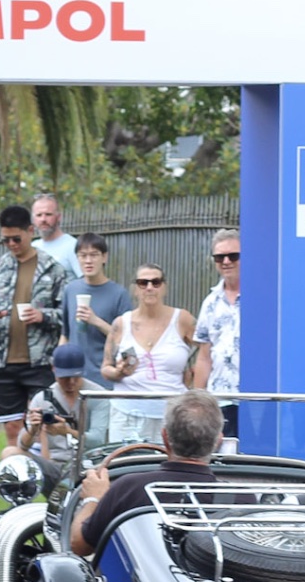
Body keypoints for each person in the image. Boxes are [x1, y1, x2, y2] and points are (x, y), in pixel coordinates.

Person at [69, 389, 223, 556]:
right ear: (218, 441)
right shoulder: (240, 498)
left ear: (165, 437)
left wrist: (93, 499)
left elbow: (79, 545)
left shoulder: (128, 488)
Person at [0, 205, 67, 447]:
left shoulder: (53, 269)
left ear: (31, 231)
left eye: (16, 239)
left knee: (42, 424)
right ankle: (14, 475)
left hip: (40, 362)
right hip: (1, 360)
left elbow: (67, 316)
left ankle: (42, 476)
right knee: (11, 427)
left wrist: (43, 315)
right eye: (5, 240)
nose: (11, 245)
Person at [102, 263, 196, 444]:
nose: (150, 288)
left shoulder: (182, 319)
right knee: (126, 469)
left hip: (172, 414)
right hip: (127, 413)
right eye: (143, 283)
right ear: (135, 289)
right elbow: (105, 368)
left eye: (156, 282)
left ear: (165, 287)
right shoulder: (121, 323)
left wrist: (193, 380)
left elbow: (206, 352)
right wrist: (118, 372)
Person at [58, 232, 130, 450]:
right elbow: (65, 333)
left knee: (100, 444)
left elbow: (126, 340)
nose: (88, 261)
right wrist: (58, 364)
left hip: (104, 382)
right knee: (72, 441)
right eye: (83, 255)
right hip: (73, 381)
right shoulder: (71, 289)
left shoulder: (118, 294)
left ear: (104, 257)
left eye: (94, 255)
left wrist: (96, 321)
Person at [2, 343, 89, 487]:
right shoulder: (42, 398)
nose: (71, 382)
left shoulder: (96, 395)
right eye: (65, 377)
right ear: (54, 370)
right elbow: (22, 445)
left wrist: (67, 431)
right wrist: (33, 430)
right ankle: (20, 502)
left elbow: (101, 441)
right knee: (10, 453)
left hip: (89, 466)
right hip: (56, 466)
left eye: (76, 376)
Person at [191, 228, 242, 422]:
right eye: (220, 257)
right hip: (218, 400)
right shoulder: (210, 302)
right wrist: (197, 400)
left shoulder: (264, 297)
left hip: (256, 399)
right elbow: (204, 357)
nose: (226, 262)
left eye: (233, 256)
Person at [31, 192, 82, 281]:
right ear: (33, 219)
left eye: (48, 214)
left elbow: (86, 282)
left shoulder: (73, 246)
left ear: (58, 217)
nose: (43, 219)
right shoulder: (32, 248)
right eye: (39, 215)